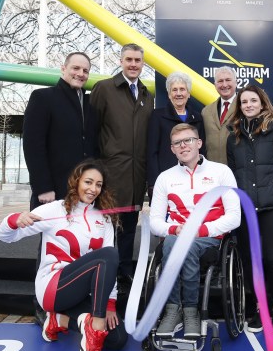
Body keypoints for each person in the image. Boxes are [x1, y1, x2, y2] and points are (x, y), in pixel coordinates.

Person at [0, 160, 127, 351]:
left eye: (98, 185)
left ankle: (58, 320)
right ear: (76, 182)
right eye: (88, 182)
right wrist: (15, 220)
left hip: (80, 292)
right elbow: (5, 236)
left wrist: (110, 304)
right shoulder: (55, 210)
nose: (93, 189)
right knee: (108, 254)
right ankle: (95, 325)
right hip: (54, 288)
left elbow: (109, 268)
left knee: (118, 339)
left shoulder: (104, 220)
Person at [149, 123, 240, 339]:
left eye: (188, 140)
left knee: (178, 243)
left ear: (199, 143)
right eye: (177, 143)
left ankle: (183, 310)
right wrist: (175, 228)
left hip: (209, 239)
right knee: (173, 241)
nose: (183, 146)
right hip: (176, 237)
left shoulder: (221, 172)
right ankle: (181, 310)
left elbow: (234, 216)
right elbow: (154, 222)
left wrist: (199, 231)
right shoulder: (165, 178)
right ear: (172, 149)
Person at [226, 84, 273, 336]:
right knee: (251, 261)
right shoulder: (233, 137)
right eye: (244, 102)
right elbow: (232, 174)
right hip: (246, 209)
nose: (249, 105)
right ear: (240, 106)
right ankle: (259, 307)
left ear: (263, 103)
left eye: (253, 100)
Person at [90, 43, 154, 289]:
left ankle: (123, 273)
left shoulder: (147, 96)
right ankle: (101, 275)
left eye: (138, 60)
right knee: (105, 230)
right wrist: (95, 170)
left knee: (128, 231)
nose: (133, 64)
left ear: (143, 63)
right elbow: (92, 132)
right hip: (110, 175)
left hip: (136, 176)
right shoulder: (104, 88)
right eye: (129, 59)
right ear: (121, 61)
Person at [23, 51, 100, 209]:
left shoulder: (90, 105)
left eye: (85, 71)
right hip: (54, 192)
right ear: (63, 69)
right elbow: (33, 147)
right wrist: (43, 187)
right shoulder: (43, 98)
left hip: (85, 194)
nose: (80, 74)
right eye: (75, 68)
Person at [146, 71, 206, 192]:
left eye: (182, 89)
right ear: (169, 94)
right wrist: (154, 183)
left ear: (188, 94)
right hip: (167, 181)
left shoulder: (198, 118)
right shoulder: (157, 116)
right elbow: (151, 152)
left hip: (193, 181)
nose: (178, 93)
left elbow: (202, 151)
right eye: (174, 90)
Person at [202, 66, 237, 165]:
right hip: (212, 172)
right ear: (215, 85)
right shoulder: (206, 111)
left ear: (236, 82)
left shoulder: (245, 107)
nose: (224, 84)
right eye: (220, 81)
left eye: (228, 80)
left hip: (238, 171)